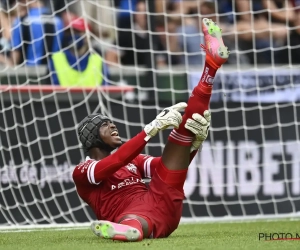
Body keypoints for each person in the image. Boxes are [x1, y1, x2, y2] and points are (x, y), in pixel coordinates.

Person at [72, 18, 229, 241]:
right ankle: (128, 231)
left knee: (186, 129)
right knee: (135, 222)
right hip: (135, 215)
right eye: (106, 125)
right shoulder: (82, 171)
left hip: (163, 201)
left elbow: (166, 166)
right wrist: (150, 129)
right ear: (91, 137)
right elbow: (114, 163)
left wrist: (193, 147)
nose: (113, 125)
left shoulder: (133, 162)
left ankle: (210, 68)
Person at [49, 17, 108, 87]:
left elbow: (106, 88)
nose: (73, 35)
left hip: (94, 98)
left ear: (87, 36)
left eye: (77, 32)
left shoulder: (98, 60)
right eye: (69, 32)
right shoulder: (56, 59)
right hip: (62, 98)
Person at [9, 0, 64, 66]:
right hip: (54, 69)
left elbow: (16, 54)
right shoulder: (58, 21)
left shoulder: (21, 21)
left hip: (30, 70)